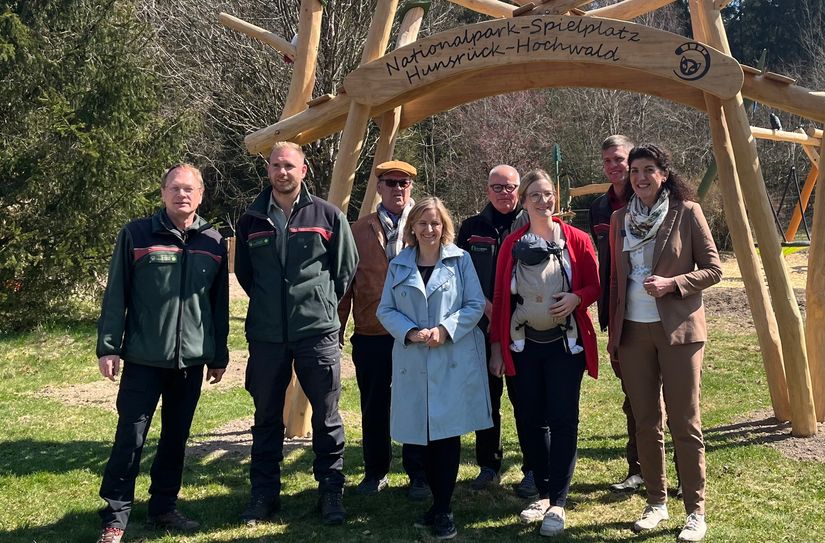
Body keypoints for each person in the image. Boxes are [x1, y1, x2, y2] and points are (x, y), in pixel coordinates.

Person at [96, 164, 229, 543]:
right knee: (130, 438)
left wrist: (218, 355)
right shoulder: (136, 234)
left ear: (201, 195)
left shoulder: (214, 242)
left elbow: (217, 306)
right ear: (163, 193)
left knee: (176, 438)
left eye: (189, 189)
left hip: (190, 362)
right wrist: (109, 346)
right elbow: (116, 294)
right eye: (174, 188)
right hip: (142, 359)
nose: (181, 195)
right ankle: (116, 515)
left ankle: (164, 507)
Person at [234, 141, 358, 526]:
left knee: (326, 416)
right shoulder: (251, 219)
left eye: (289, 165)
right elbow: (246, 274)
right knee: (266, 416)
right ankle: (264, 495)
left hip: (315, 333)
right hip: (268, 335)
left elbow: (345, 269)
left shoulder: (328, 215)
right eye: (275, 166)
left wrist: (318, 303)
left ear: (304, 170)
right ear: (268, 171)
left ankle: (330, 493)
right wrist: (274, 304)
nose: (282, 172)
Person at [608, 144, 721, 542]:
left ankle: (695, 511)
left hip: (679, 332)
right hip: (633, 334)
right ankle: (656, 502)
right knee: (645, 420)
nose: (640, 177)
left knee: (684, 422)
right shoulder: (620, 218)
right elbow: (616, 283)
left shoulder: (687, 213)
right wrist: (613, 336)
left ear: (664, 173)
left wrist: (674, 284)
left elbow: (713, 269)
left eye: (649, 170)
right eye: (635, 170)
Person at [489, 170, 599, 538]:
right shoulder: (512, 243)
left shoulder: (577, 240)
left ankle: (558, 503)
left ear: (556, 198)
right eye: (534, 195)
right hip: (524, 347)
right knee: (530, 420)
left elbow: (596, 284)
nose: (542, 200)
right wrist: (497, 346)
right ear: (524, 201)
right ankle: (543, 490)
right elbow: (502, 296)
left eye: (548, 194)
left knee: (564, 420)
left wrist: (576, 298)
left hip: (565, 348)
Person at [377, 197, 492, 540]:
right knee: (421, 436)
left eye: (436, 223)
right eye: (423, 223)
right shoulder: (398, 264)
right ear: (412, 226)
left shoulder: (461, 261)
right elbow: (385, 310)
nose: (430, 229)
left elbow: (474, 304)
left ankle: (443, 508)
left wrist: (445, 329)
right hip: (415, 358)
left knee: (447, 435)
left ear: (445, 227)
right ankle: (436, 503)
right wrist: (410, 332)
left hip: (451, 359)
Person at [337, 160, 428, 499]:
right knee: (374, 405)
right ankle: (375, 471)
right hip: (372, 333)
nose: (397, 189)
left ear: (411, 188)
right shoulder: (357, 230)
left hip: (415, 334)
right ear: (379, 188)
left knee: (417, 403)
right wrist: (339, 328)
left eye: (403, 183)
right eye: (390, 182)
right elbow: (346, 284)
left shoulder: (425, 226)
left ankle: (418, 471)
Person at [456, 165, 534, 498]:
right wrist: (486, 306)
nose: (504, 193)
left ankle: (533, 468)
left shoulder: (531, 225)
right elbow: (459, 274)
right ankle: (488, 464)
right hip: (481, 325)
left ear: (520, 189)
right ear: (487, 189)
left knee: (527, 401)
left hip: (525, 328)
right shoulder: (471, 228)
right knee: (486, 401)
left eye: (510, 187)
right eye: (497, 187)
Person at [588, 135, 645, 492]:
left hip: (656, 312)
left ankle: (679, 469)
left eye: (620, 159)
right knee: (633, 396)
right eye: (608, 160)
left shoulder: (656, 199)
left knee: (670, 397)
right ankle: (636, 468)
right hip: (618, 315)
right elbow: (603, 262)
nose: (614, 167)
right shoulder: (598, 208)